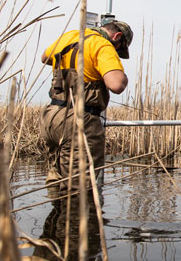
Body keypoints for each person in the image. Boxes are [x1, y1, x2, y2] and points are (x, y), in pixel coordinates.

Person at [39, 20, 132, 187]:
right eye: (120, 48)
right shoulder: (102, 45)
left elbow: (45, 58)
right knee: (78, 189)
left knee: (55, 180)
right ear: (117, 36)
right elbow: (116, 84)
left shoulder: (71, 36)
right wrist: (123, 77)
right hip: (78, 120)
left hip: (51, 116)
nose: (117, 52)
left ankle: (57, 210)